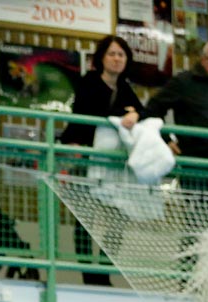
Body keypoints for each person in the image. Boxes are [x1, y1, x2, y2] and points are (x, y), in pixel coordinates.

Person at [62, 35, 142, 286]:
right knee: (85, 217)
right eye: (112, 54)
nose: (117, 59)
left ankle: (106, 268)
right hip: (85, 155)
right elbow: (90, 112)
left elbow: (144, 111)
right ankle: (89, 273)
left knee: (119, 216)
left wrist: (136, 113)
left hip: (112, 163)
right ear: (102, 57)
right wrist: (124, 113)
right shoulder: (89, 82)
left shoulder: (126, 88)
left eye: (121, 54)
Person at [142, 40, 208, 165]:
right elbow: (152, 109)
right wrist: (166, 140)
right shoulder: (184, 82)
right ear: (203, 59)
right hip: (195, 160)